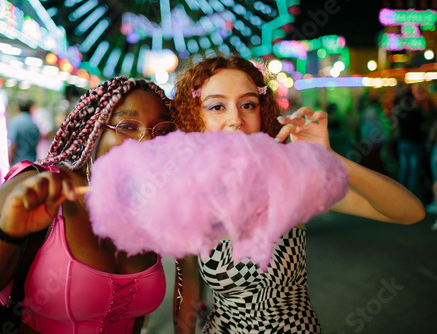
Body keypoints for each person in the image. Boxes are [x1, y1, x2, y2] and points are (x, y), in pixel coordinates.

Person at [171, 55, 426, 333]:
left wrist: (331, 159)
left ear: (262, 111)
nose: (236, 119)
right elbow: (188, 294)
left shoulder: (286, 178)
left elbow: (411, 212)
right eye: (217, 106)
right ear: (195, 116)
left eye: (247, 105)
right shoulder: (189, 190)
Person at [0, 77, 179, 334]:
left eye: (162, 130)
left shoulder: (147, 207)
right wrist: (5, 233)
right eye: (127, 126)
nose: (146, 142)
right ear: (93, 130)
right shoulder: (37, 186)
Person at [8, 98, 41, 165]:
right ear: (30, 109)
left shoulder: (15, 123)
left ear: (18, 109)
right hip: (33, 163)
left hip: (19, 164)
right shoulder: (34, 124)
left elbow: (13, 145)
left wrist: (9, 160)